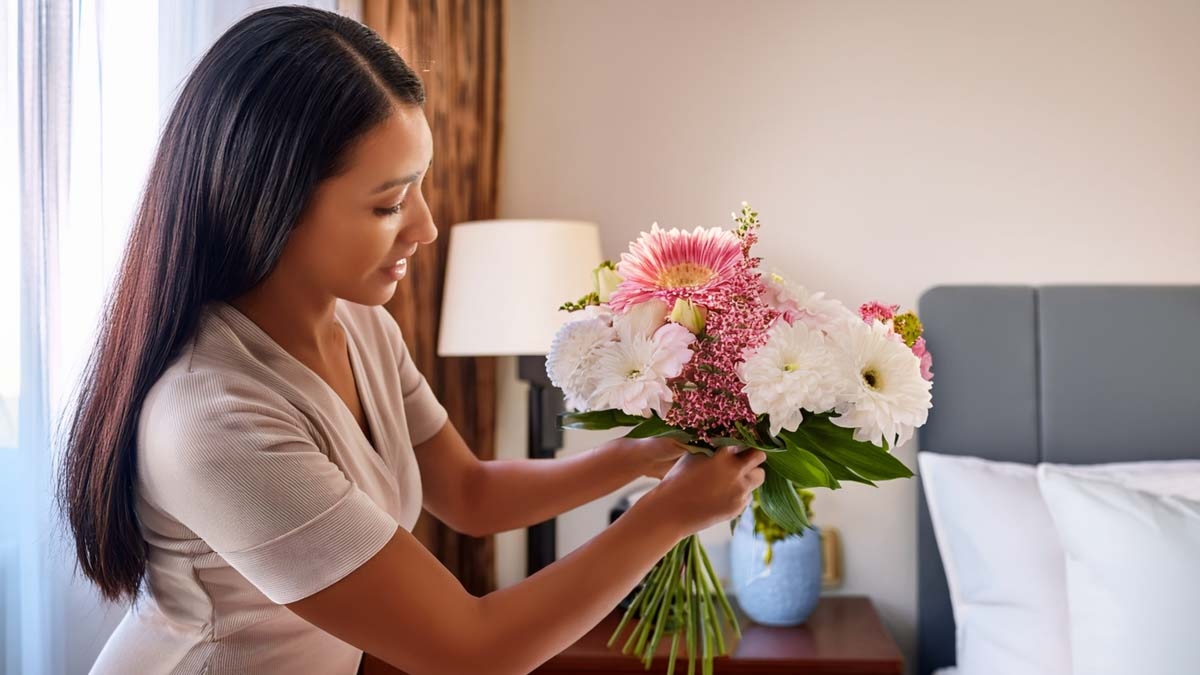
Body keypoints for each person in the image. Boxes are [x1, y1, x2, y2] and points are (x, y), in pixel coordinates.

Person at [58, 6, 767, 674]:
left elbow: (470, 492)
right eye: (389, 202)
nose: (425, 227)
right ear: (266, 201)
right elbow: (471, 652)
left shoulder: (362, 324)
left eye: (419, 188)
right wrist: (670, 512)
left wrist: (640, 455)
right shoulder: (213, 417)